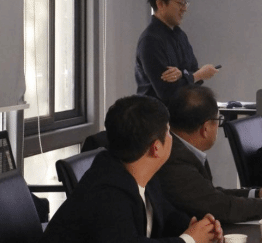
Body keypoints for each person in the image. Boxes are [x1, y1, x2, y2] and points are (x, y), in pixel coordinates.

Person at [42, 95, 224, 243]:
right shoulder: (107, 192)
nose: (172, 138)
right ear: (156, 148)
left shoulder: (141, 171)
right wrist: (189, 240)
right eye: (168, 132)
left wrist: (198, 227)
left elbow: (165, 215)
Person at [156, 86, 262, 224]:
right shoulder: (174, 158)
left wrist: (258, 193)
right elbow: (218, 206)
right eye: (218, 120)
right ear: (206, 128)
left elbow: (208, 194)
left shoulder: (180, 149)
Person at [135, 0, 219, 104]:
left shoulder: (180, 35)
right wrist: (195, 76)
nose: (184, 8)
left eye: (185, 3)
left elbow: (193, 69)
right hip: (156, 113)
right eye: (180, 3)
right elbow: (167, 91)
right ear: (160, 4)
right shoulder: (150, 40)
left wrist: (184, 75)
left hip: (183, 110)